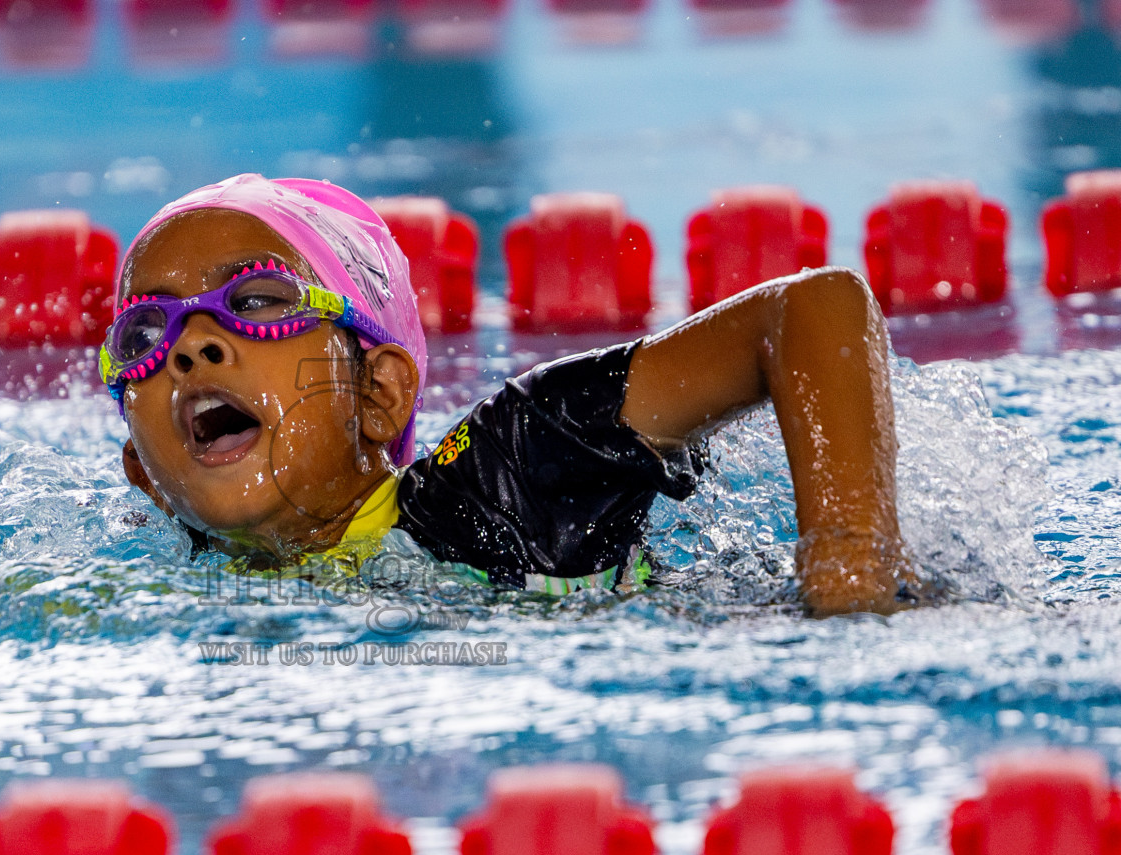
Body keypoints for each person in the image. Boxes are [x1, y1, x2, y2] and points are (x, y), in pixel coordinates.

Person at [104, 173, 916, 617]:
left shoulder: (506, 468)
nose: (193, 346)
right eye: (144, 335)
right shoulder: (159, 603)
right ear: (143, 470)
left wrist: (848, 582)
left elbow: (813, 309)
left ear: (379, 395)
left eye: (255, 301)